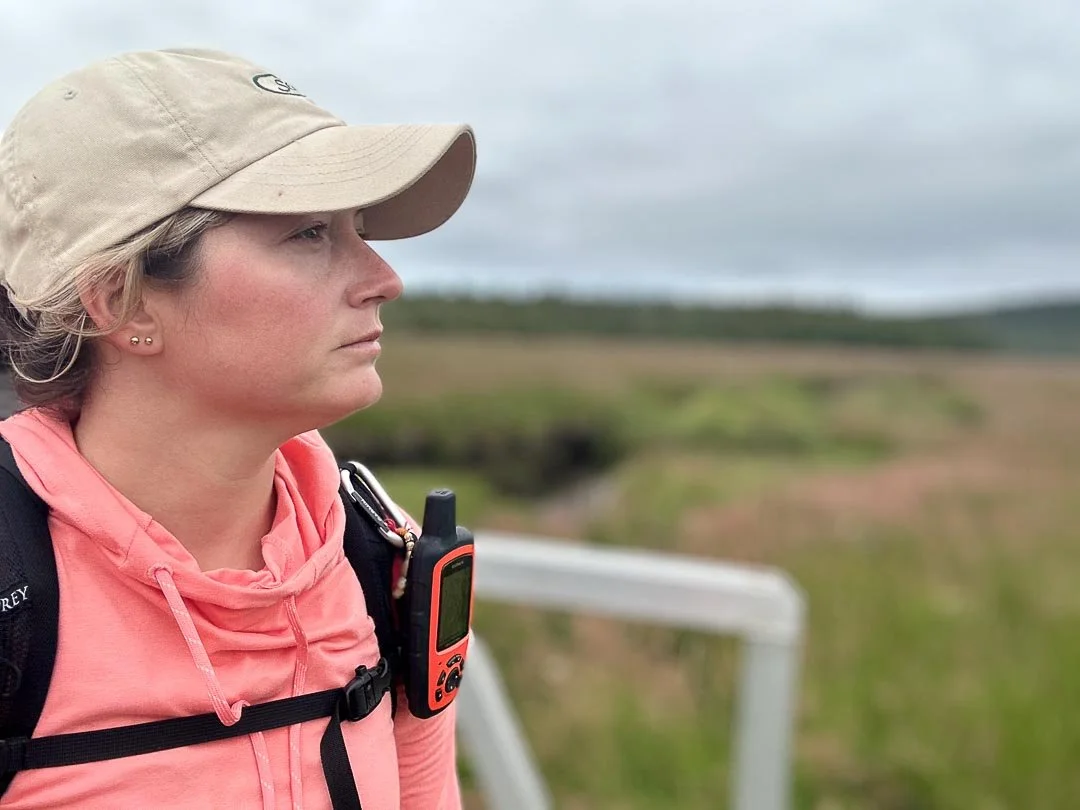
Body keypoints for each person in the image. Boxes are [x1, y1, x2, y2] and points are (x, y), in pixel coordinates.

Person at [0, 48, 476, 809]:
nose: (385, 279)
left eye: (358, 227)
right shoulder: (15, 599)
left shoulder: (374, 561)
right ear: (122, 301)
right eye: (311, 233)